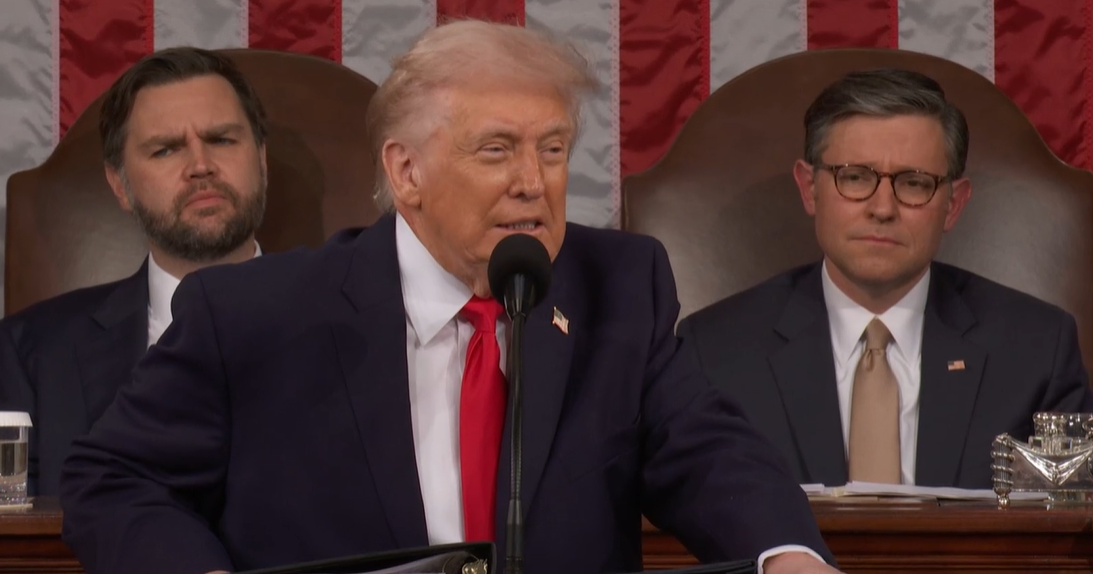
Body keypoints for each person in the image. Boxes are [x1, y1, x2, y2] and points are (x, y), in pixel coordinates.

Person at [58, 20, 840, 574]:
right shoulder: (256, 314)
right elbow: (115, 479)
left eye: (553, 149)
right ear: (405, 173)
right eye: (496, 150)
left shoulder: (616, 285)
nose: (532, 182)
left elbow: (706, 453)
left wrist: (787, 555)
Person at [677, 69, 1093, 489]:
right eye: (855, 177)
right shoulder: (715, 354)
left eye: (914, 183)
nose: (882, 208)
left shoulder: (1037, 350)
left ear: (953, 205)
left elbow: (1065, 537)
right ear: (809, 189)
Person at [0, 47, 266, 496]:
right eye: (165, 150)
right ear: (120, 186)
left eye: (221, 139)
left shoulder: (358, 325)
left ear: (261, 159)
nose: (201, 166)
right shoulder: (28, 354)